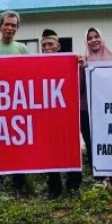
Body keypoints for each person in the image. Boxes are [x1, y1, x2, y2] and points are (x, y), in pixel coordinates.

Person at [0, 11, 29, 193]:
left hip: (17, 105)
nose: (10, 28)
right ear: (0, 26)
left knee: (18, 143)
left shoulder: (23, 49)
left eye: (13, 25)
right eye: (7, 24)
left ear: (17, 28)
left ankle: (19, 184)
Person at [81, 28, 112, 194]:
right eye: (90, 38)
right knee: (92, 144)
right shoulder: (83, 60)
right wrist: (83, 69)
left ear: (102, 38)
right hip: (87, 110)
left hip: (110, 110)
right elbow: (78, 87)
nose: (94, 40)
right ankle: (100, 180)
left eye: (96, 37)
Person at [41, 29, 82, 198]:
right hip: (47, 115)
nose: (47, 47)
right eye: (44, 45)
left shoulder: (70, 62)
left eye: (51, 44)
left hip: (67, 115)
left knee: (71, 149)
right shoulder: (36, 64)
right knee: (50, 151)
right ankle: (54, 187)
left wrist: (81, 65)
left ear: (58, 46)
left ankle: (73, 187)